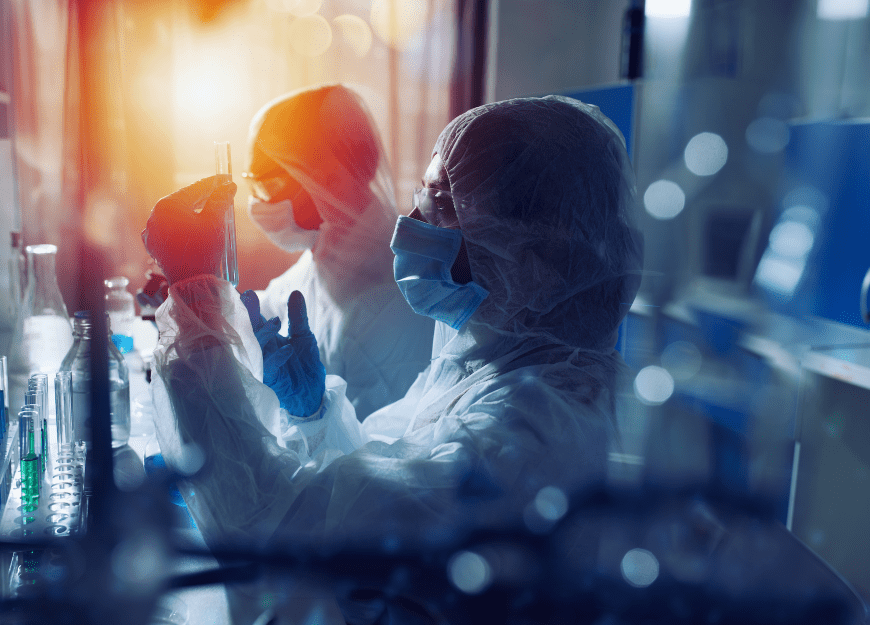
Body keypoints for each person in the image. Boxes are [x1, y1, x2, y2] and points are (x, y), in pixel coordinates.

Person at [143, 95, 644, 623]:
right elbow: (379, 478)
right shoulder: (498, 374)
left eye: (441, 201)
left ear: (532, 255)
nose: (408, 220)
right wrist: (315, 415)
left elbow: (282, 533)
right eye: (420, 194)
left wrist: (195, 306)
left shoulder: (531, 434)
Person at [240, 83, 435, 421]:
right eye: (252, 186)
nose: (257, 203)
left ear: (328, 180)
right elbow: (275, 303)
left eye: (267, 185)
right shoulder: (328, 251)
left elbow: (373, 459)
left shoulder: (392, 303)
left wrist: (309, 414)